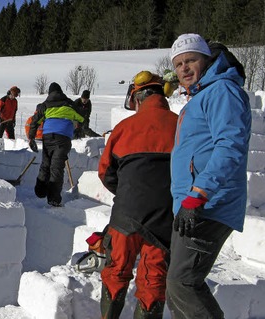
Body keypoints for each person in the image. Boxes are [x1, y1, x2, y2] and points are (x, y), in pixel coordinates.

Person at [167, 33, 251, 319]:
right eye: (178, 64)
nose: (184, 69)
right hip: (191, 204)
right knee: (176, 288)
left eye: (191, 60)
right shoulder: (202, 96)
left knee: (183, 283)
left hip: (207, 203)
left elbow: (230, 145)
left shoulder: (222, 91)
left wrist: (199, 193)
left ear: (206, 60)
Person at [98, 71, 178, 318]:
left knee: (115, 272)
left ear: (138, 98)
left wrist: (128, 192)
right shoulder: (182, 125)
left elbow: (105, 172)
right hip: (165, 218)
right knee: (154, 281)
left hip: (126, 215)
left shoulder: (124, 128)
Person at [28, 82, 84, 207]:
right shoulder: (69, 103)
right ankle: (53, 199)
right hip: (63, 138)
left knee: (46, 164)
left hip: (47, 137)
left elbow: (34, 121)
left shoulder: (45, 105)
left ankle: (40, 191)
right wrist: (78, 127)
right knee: (57, 168)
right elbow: (82, 117)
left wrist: (31, 138)